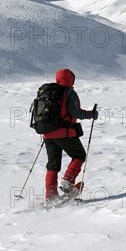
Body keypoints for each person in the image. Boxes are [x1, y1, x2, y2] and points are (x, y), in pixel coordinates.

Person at [43, 68, 98, 203]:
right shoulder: (69, 93)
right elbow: (76, 112)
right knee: (79, 155)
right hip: (64, 132)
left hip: (47, 133)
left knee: (53, 164)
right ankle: (67, 180)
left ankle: (50, 196)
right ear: (71, 79)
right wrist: (91, 114)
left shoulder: (47, 92)